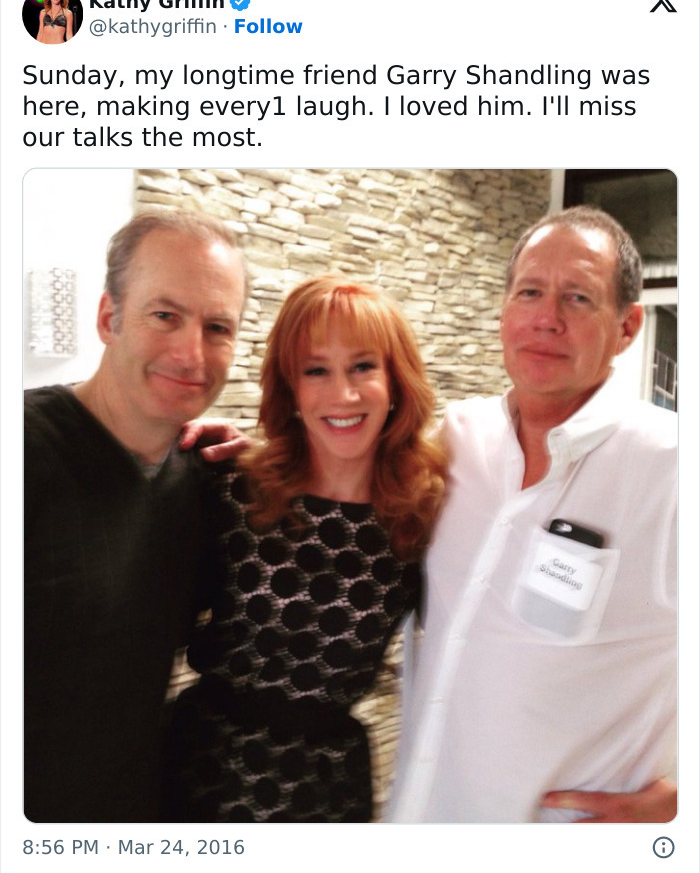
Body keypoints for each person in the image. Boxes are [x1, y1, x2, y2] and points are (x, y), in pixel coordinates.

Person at [387, 206, 677, 823]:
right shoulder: (457, 440)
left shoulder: (670, 466)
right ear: (504, 310)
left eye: (578, 297)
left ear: (627, 327)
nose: (547, 319)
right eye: (530, 293)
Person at [165, 276, 447, 822]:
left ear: (396, 383)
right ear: (291, 390)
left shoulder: (420, 519)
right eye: (316, 370)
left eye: (363, 366)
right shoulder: (234, 490)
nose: (342, 394)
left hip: (325, 789)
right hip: (202, 769)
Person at [24, 211, 248, 821]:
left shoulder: (206, 483)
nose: (191, 353)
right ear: (108, 318)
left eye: (217, 327)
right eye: (164, 315)